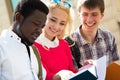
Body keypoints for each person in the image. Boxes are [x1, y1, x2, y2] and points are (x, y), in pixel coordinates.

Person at [0, 0, 49, 80]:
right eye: (36, 24)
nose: (40, 31)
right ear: (19, 17)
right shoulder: (2, 47)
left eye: (42, 27)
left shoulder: (33, 49)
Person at [66, 0, 119, 68]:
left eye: (94, 14)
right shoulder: (69, 44)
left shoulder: (109, 37)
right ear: (79, 14)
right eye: (85, 14)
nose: (89, 20)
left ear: (102, 15)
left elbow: (114, 66)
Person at [34, 0, 78, 80]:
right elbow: (44, 77)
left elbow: (72, 72)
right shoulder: (34, 47)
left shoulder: (64, 44)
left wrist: (86, 67)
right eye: (53, 20)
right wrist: (59, 76)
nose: (56, 27)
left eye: (62, 23)